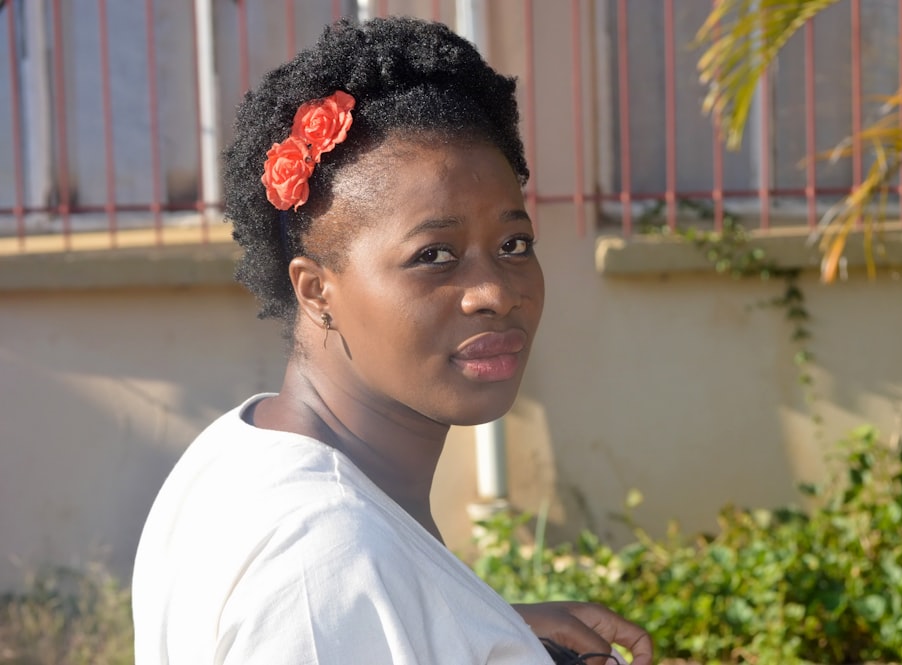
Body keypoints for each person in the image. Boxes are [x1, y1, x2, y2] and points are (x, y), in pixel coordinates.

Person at [132, 16, 652, 665]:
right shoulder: (326, 565)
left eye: (514, 244)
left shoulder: (242, 447)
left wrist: (480, 625)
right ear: (316, 291)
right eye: (434, 253)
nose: (495, 290)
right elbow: (322, 606)